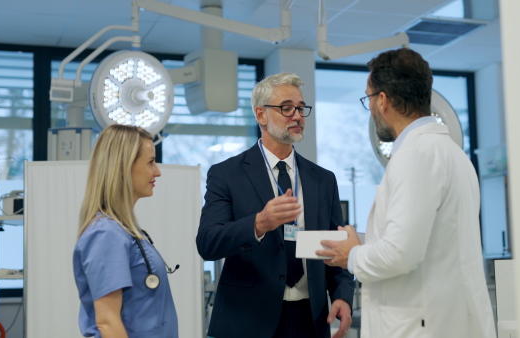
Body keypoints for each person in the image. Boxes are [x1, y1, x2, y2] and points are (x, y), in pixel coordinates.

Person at [316, 48, 497, 338]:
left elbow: (400, 254)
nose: (371, 108)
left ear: (383, 100)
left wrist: (352, 255)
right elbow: (429, 239)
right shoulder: (451, 152)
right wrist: (367, 241)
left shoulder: (415, 156)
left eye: (369, 98)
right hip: (445, 318)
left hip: (421, 325)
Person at [197, 72, 355, 338]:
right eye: (286, 108)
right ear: (261, 115)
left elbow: (336, 245)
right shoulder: (227, 174)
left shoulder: (323, 179)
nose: (297, 116)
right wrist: (258, 224)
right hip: (247, 321)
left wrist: (342, 296)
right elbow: (208, 243)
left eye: (301, 108)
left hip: (311, 319)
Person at [73, 124, 178, 338]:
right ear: (122, 167)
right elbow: (107, 322)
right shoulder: (106, 234)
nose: (157, 171)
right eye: (150, 162)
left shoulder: (123, 230)